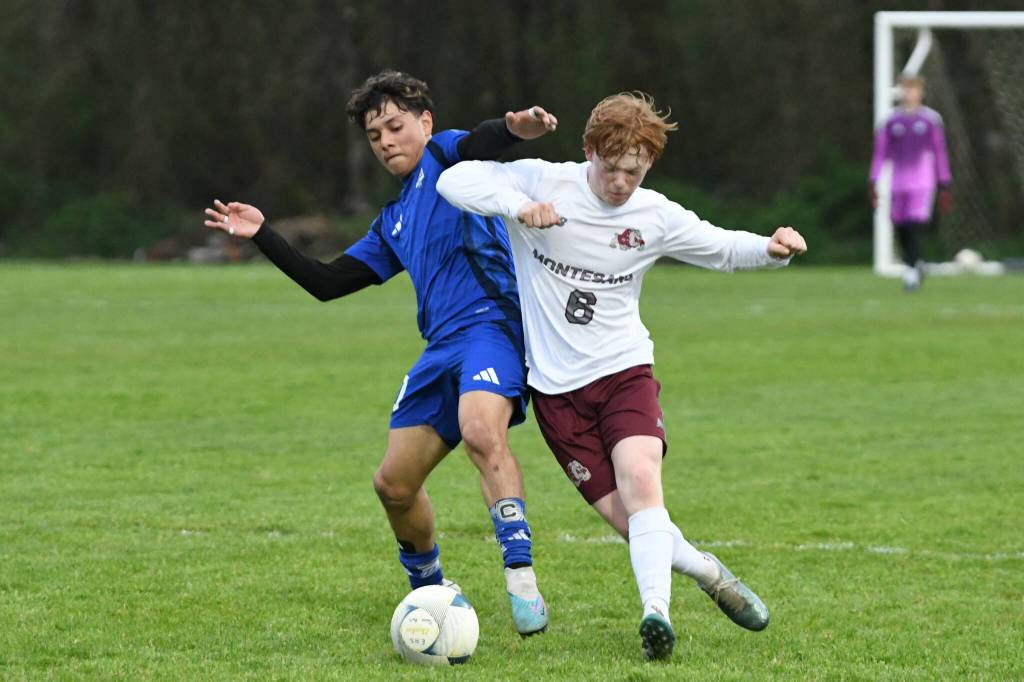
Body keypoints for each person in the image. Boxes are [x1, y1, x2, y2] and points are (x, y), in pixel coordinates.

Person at [437, 92, 807, 660]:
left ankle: (655, 613)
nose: (619, 183)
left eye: (632, 171)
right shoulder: (545, 181)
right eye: (609, 169)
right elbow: (453, 181)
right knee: (636, 526)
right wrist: (516, 206)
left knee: (642, 484)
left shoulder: (653, 215)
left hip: (623, 374)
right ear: (588, 151)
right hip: (558, 396)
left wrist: (772, 249)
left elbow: (723, 248)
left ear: (649, 165)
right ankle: (710, 573)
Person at [203, 70, 558, 637]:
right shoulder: (392, 221)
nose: (386, 140)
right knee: (393, 484)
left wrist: (514, 129)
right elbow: (326, 282)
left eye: (395, 126)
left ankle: (521, 580)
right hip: (441, 350)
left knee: (479, 429)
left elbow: (481, 142)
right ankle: (432, 598)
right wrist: (264, 233)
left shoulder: (448, 162)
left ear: (425, 123)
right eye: (374, 135)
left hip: (494, 329)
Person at [869, 73, 953, 291]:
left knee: (915, 225)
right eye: (905, 89)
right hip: (897, 182)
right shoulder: (890, 121)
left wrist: (944, 181)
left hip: (922, 182)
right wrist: (873, 180)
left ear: (921, 92)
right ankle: (914, 264)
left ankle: (911, 273)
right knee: (900, 226)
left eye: (913, 89)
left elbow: (939, 151)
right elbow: (880, 153)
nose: (909, 93)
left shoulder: (930, 120)